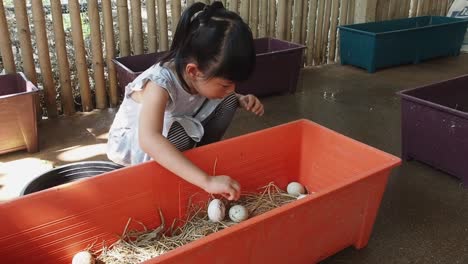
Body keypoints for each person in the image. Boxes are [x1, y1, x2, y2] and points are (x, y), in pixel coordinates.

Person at [107, 1, 264, 201]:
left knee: (229, 101)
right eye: (225, 84)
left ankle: (202, 156)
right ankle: (190, 170)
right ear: (193, 71)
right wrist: (206, 181)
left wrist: (240, 98)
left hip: (176, 123)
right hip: (136, 144)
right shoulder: (160, 83)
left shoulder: (196, 75)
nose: (232, 89)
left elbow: (222, 95)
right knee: (180, 134)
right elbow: (149, 140)